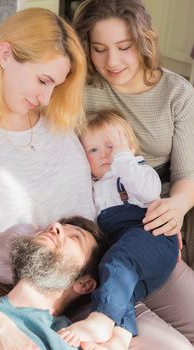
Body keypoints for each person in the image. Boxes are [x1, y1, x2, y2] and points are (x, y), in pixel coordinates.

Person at [0, 7, 96, 350]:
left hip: (105, 283)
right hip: (35, 307)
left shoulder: (58, 119)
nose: (46, 99)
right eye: (43, 81)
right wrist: (1, 332)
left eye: (57, 85)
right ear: (5, 55)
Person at [73, 0, 194, 349]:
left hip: (156, 201)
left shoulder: (177, 92)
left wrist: (177, 207)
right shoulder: (83, 89)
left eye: (124, 48)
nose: (112, 62)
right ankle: (116, 322)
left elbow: (187, 172)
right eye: (99, 49)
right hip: (102, 206)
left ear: (144, 42)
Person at [58, 110, 179, 350]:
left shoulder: (137, 171)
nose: (103, 154)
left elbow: (148, 192)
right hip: (130, 252)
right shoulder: (94, 187)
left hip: (152, 235)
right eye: (92, 150)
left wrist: (124, 158)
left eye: (111, 146)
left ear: (129, 146)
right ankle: (119, 338)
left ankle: (100, 320)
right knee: (119, 284)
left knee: (117, 261)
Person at [0, 216, 105, 350]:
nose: (54, 226)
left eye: (75, 237)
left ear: (84, 284)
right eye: (53, 226)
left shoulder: (67, 339)